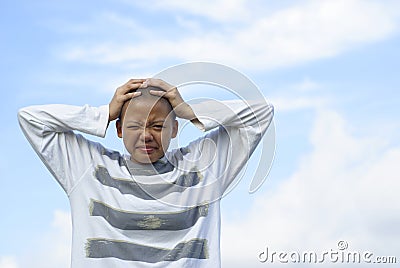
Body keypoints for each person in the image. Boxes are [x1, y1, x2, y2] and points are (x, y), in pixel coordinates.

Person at [18, 78, 274, 268]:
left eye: (158, 125)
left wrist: (190, 111)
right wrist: (103, 114)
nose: (146, 135)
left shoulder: (203, 167)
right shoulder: (88, 167)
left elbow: (261, 113)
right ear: (119, 130)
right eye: (134, 126)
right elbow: (30, 118)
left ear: (175, 129)